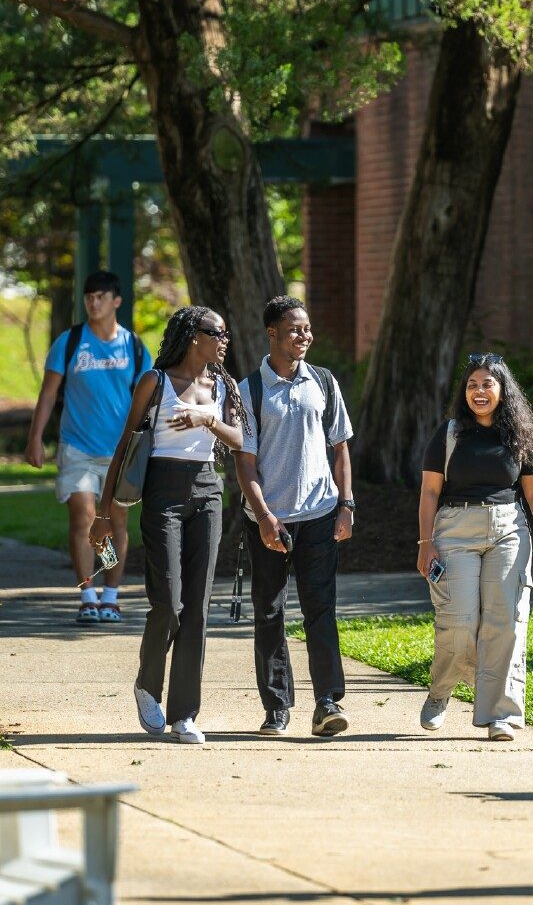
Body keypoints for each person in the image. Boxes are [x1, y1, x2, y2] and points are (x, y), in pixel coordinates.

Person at [89, 306, 247, 745]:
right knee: (169, 603)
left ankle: (184, 714)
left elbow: (242, 441)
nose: (224, 340)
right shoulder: (154, 382)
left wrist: (207, 419)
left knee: (197, 606)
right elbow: (125, 445)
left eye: (226, 332)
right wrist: (104, 513)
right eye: (218, 332)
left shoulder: (222, 384)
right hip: (163, 493)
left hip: (208, 493)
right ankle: (146, 685)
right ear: (193, 335)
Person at [416, 352, 533, 742]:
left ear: (503, 390)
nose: (478, 392)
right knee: (460, 622)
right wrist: (425, 543)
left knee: (506, 622)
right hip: (454, 529)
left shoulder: (521, 435)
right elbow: (430, 492)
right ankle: (441, 690)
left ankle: (501, 715)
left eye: (487, 384)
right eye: (471, 385)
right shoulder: (448, 434)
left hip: (508, 530)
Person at [233, 295, 355, 737]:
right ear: (272, 333)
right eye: (294, 329)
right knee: (269, 612)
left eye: (306, 329)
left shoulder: (322, 382)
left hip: (321, 513)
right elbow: (244, 462)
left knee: (320, 610)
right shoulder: (249, 390)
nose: (304, 336)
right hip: (270, 519)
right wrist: (264, 516)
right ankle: (277, 706)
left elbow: (340, 447)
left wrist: (347, 504)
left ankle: (327, 703)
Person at [25, 270, 153, 624]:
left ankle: (110, 596)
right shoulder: (69, 342)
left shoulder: (134, 346)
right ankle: (87, 594)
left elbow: (149, 398)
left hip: (120, 452)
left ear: (116, 301)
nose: (93, 303)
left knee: (115, 522)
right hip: (77, 447)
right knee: (82, 516)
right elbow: (49, 393)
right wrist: (35, 438)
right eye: (89, 297)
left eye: (100, 297)